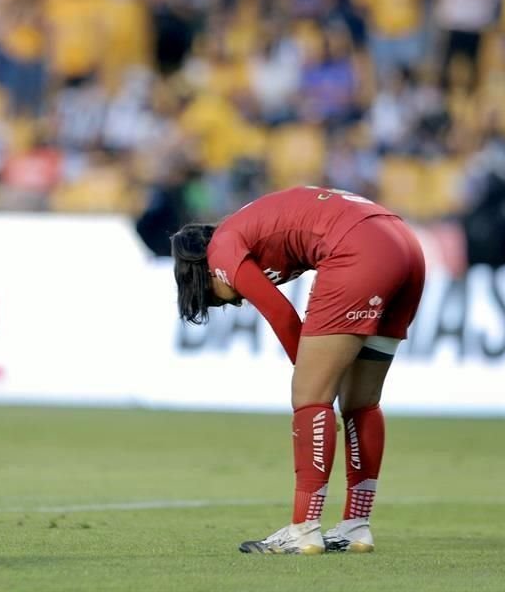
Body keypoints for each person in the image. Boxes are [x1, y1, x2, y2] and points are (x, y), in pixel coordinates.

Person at [171, 185, 425, 555]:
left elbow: (281, 315)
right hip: (404, 246)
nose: (233, 303)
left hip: (359, 248)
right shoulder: (244, 228)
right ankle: (356, 525)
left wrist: (314, 387)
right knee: (361, 402)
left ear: (208, 273)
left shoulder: (221, 248)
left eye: (214, 297)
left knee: (308, 396)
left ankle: (303, 530)